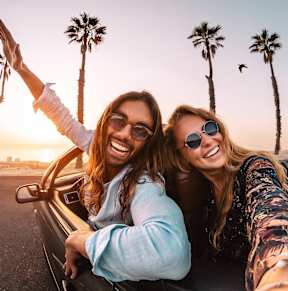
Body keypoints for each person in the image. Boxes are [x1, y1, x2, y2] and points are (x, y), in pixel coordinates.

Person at [0, 19, 191, 282]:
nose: (124, 133)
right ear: (106, 121)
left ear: (148, 143)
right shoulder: (96, 146)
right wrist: (20, 68)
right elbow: (58, 113)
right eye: (118, 120)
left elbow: (172, 252)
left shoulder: (144, 184)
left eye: (140, 130)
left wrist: (83, 240)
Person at [164, 104, 288, 291]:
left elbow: (270, 214)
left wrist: (278, 270)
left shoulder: (255, 168)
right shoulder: (203, 196)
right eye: (193, 141)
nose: (208, 141)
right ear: (181, 157)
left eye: (210, 129)